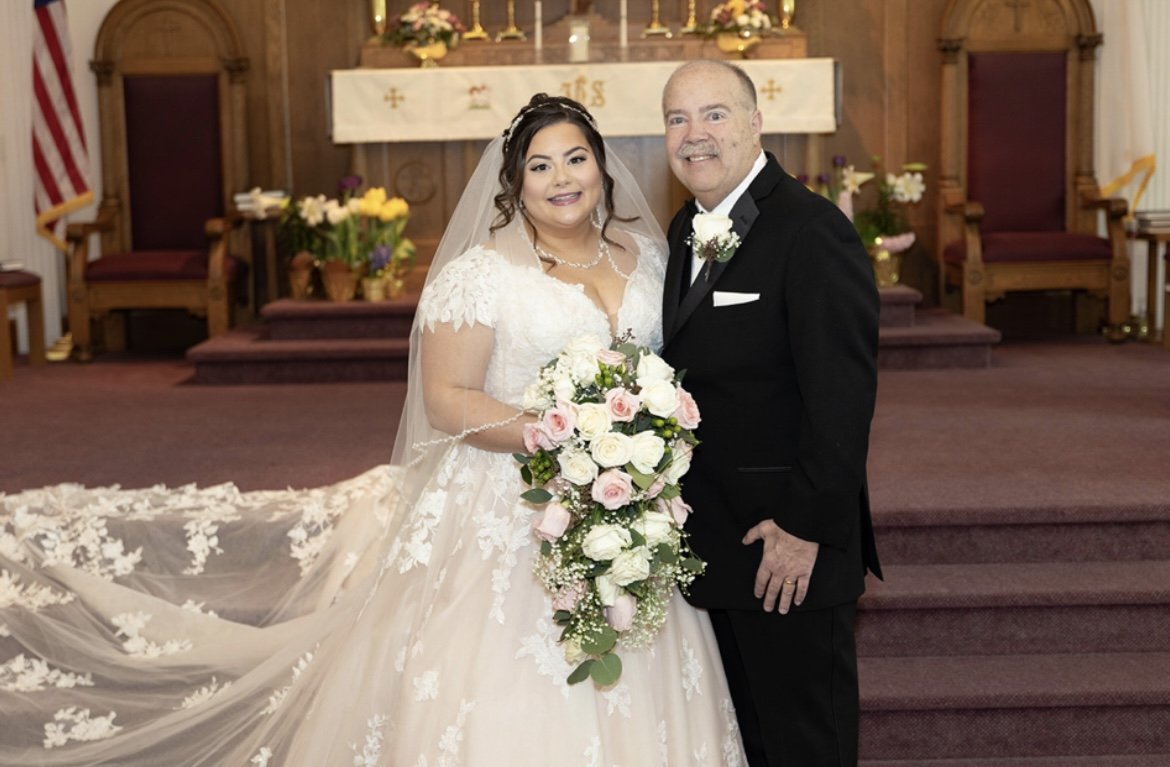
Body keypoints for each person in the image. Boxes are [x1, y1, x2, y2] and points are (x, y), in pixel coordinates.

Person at [0, 95, 746, 764]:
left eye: (575, 159)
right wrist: (557, 434)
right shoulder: (481, 275)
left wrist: (639, 437)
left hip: (630, 493)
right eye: (540, 166)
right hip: (513, 498)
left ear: (603, 167)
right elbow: (447, 400)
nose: (562, 179)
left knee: (637, 635)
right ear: (514, 184)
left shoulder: (651, 256)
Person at [659, 60, 882, 766]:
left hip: (785, 547)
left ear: (756, 123)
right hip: (717, 540)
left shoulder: (811, 231)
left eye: (714, 114)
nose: (694, 134)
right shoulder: (684, 228)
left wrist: (803, 528)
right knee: (750, 747)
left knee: (805, 747)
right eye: (676, 119)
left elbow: (842, 396)